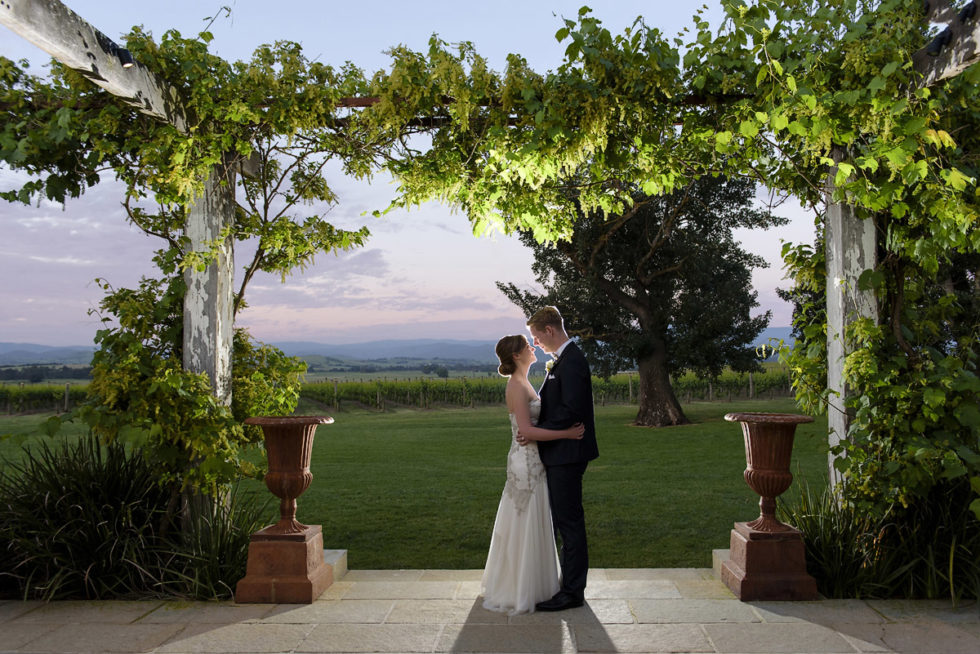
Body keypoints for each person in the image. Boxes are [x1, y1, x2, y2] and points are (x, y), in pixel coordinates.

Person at [481, 334, 586, 615]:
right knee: (524, 521)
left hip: (535, 460)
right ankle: (519, 587)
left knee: (535, 520)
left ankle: (534, 585)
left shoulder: (524, 381)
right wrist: (566, 433)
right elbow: (526, 431)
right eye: (527, 346)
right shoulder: (516, 385)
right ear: (516, 355)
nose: (532, 347)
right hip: (525, 464)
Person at [516, 306, 599, 612]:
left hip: (568, 454)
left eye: (536, 337)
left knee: (569, 523)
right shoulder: (563, 361)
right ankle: (567, 585)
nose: (535, 343)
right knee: (564, 521)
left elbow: (570, 411)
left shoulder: (573, 361)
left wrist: (536, 430)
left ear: (549, 330)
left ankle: (573, 592)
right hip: (560, 453)